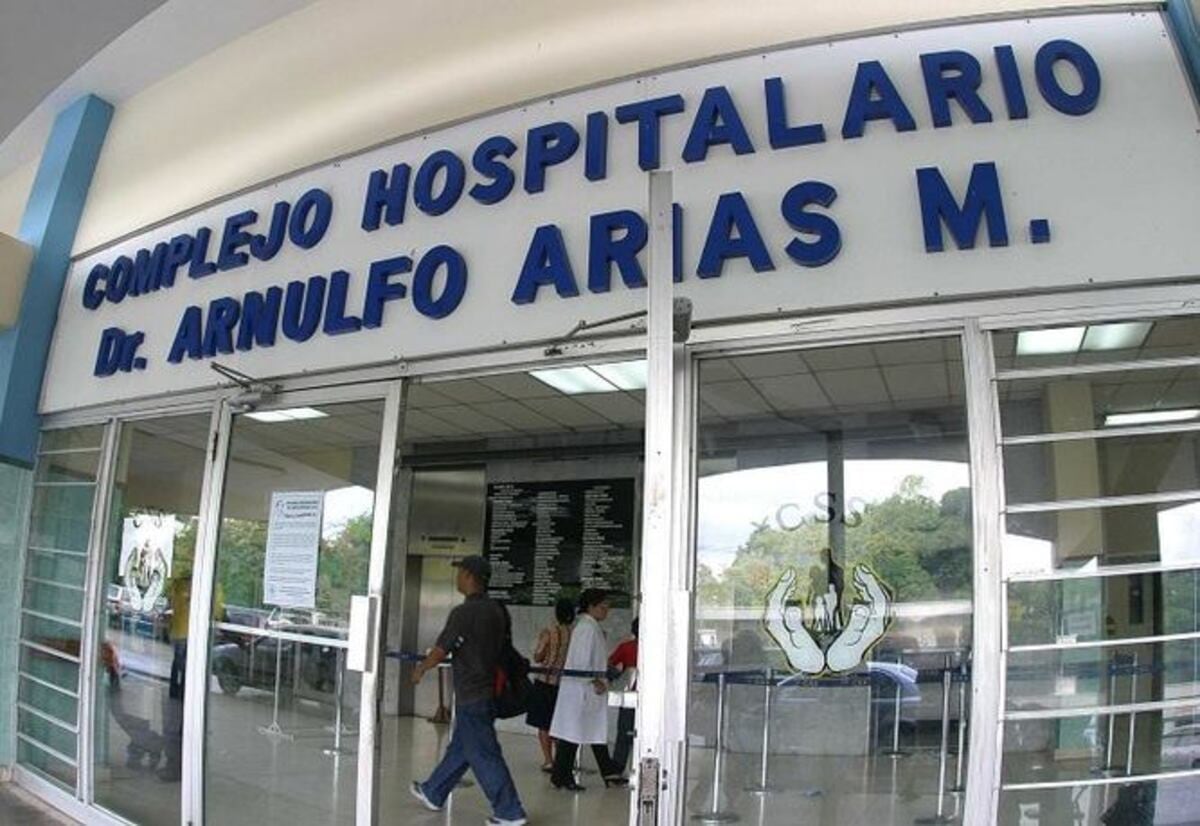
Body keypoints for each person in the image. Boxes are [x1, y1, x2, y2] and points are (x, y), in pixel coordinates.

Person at [410, 556, 527, 826]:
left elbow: (441, 650)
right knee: (462, 747)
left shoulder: (463, 613)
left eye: (460, 572)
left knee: (484, 754)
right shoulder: (497, 610)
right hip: (489, 692)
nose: (457, 577)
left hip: (472, 694)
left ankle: (510, 812)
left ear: (469, 576)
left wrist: (421, 669)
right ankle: (433, 792)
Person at [549, 588, 626, 790]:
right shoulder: (586, 628)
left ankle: (603, 772)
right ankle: (562, 776)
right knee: (573, 734)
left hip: (584, 690)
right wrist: (594, 681)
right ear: (591, 606)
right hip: (582, 690)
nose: (606, 610)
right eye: (603, 606)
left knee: (584, 732)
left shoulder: (589, 626)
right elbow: (581, 661)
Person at [527, 597, 575, 772]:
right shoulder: (575, 634)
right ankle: (562, 760)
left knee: (543, 723)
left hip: (545, 682)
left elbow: (538, 657)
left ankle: (549, 760)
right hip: (566, 684)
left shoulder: (549, 632)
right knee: (560, 723)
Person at [607, 617, 638, 773]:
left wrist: (617, 676)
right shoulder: (658, 649)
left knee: (624, 733)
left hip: (629, 695)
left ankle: (617, 769)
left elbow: (610, 664)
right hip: (652, 699)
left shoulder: (626, 647)